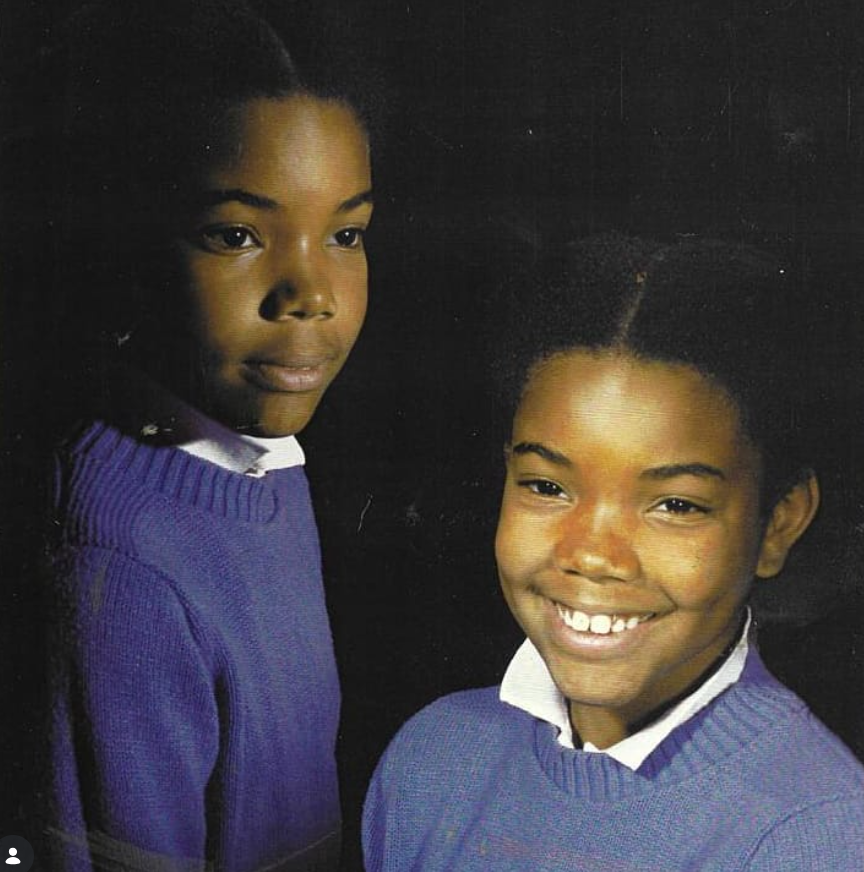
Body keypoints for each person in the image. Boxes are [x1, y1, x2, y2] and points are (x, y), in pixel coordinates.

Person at [8, 1, 377, 869]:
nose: (309, 293)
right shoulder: (120, 568)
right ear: (134, 245)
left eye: (347, 234)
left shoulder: (265, 462)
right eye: (236, 234)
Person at [363, 235, 864, 871]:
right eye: (547, 487)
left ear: (779, 523)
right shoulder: (433, 761)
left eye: (675, 505)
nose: (593, 556)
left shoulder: (816, 834)